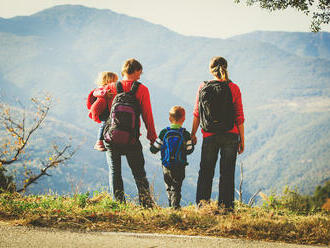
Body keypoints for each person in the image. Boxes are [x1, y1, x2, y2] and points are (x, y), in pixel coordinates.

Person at [98, 58, 157, 208]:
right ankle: (146, 204)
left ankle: (119, 205)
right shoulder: (142, 90)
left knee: (114, 172)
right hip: (131, 139)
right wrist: (152, 137)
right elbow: (147, 115)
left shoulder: (110, 87)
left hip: (111, 137)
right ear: (136, 71)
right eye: (140, 73)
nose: (140, 76)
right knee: (139, 173)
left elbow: (96, 111)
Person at [191, 56, 245, 211]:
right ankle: (226, 207)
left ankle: (202, 206)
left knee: (206, 171)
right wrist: (242, 139)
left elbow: (197, 113)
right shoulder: (233, 88)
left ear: (210, 69)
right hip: (231, 135)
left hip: (209, 135)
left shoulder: (203, 86)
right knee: (227, 172)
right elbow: (239, 116)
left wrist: (193, 134)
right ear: (226, 67)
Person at [150, 106, 194, 209]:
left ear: (170, 118)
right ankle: (175, 207)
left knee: (169, 186)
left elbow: (154, 149)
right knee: (177, 187)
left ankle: (171, 205)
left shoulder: (163, 132)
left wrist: (152, 146)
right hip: (180, 165)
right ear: (183, 119)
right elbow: (189, 150)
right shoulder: (185, 134)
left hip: (166, 165)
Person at [86, 71, 118, 151]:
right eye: (114, 80)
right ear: (108, 80)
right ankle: (99, 142)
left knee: (110, 125)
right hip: (103, 111)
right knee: (104, 124)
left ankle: (110, 139)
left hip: (109, 111)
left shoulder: (112, 89)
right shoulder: (100, 89)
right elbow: (95, 93)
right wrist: (104, 93)